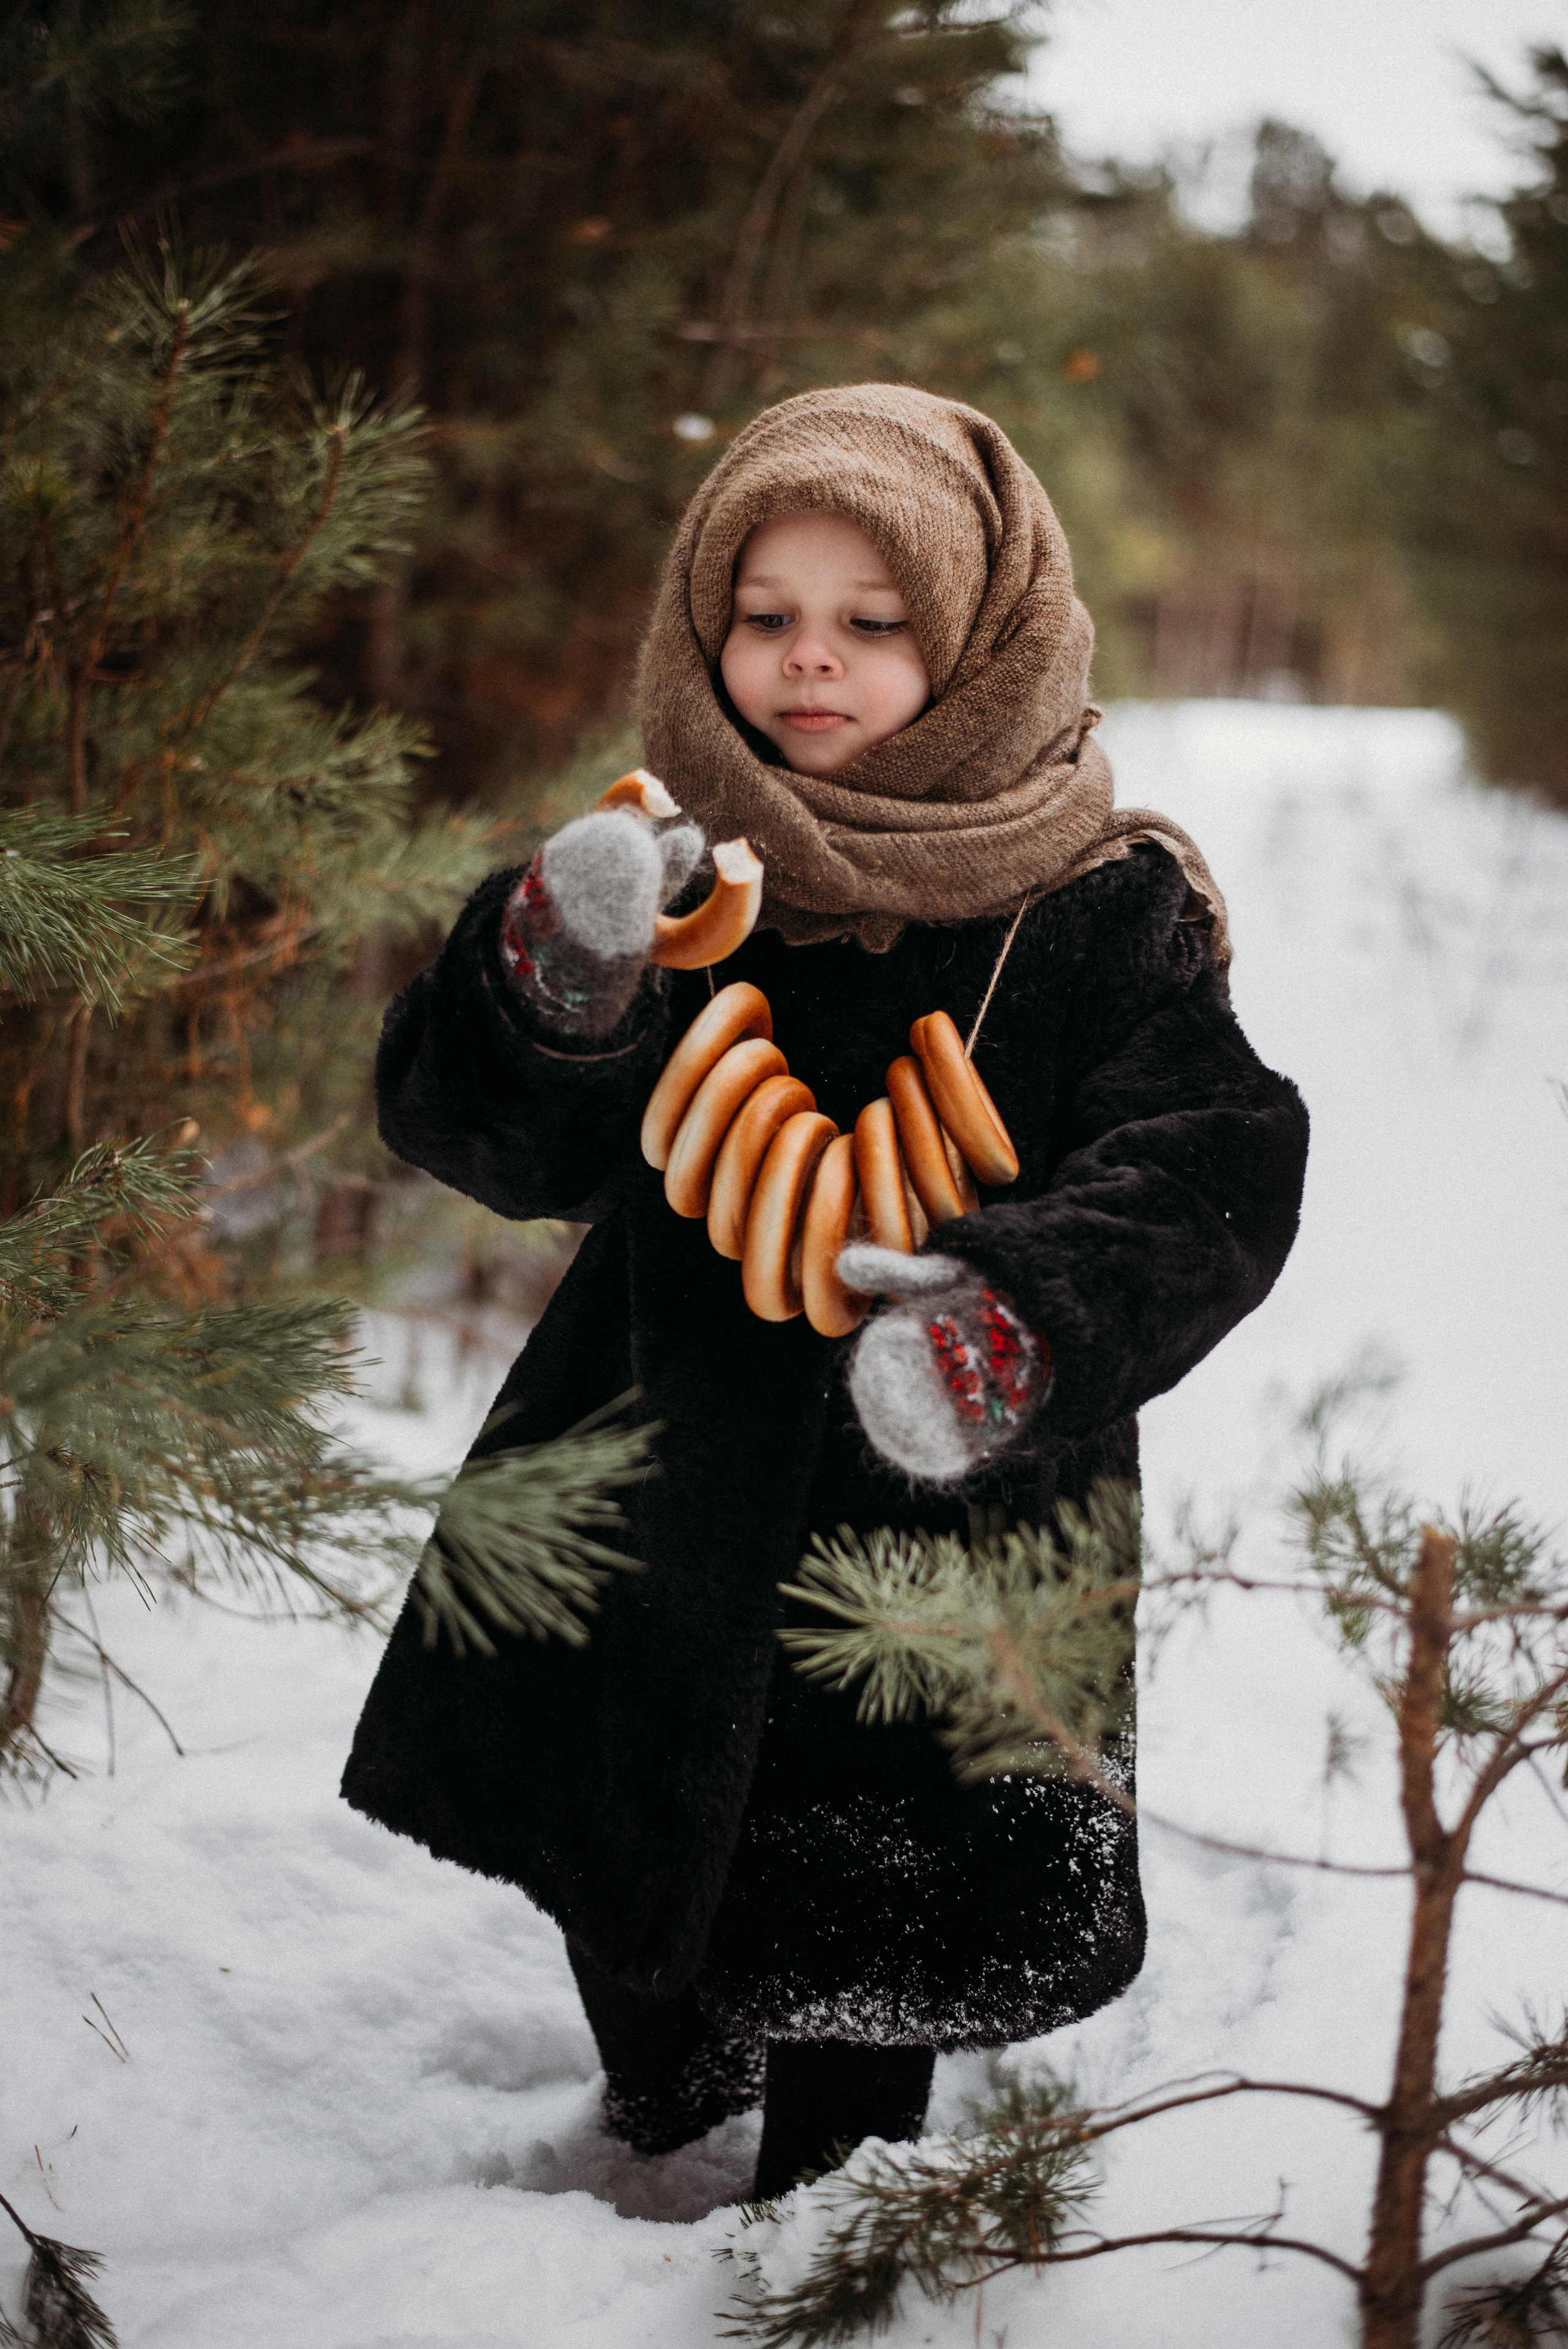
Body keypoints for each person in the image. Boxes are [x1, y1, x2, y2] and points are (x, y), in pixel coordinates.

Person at [342, 385, 1309, 2201]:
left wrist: (1020, 1313)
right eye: (766, 613)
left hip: (948, 1495)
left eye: (874, 621)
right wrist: (554, 984)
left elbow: (1213, 1164)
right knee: (626, 1850)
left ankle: (835, 2211)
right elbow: (493, 1136)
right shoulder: (678, 869)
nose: (810, 659)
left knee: (884, 1917)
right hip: (652, 1447)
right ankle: (653, 2099)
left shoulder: (1099, 910)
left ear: (984, 641)